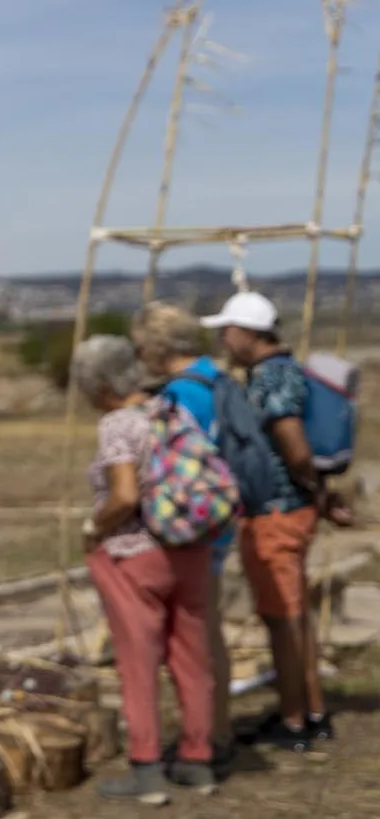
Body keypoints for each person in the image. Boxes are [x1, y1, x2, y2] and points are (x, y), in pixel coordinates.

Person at [72, 335, 214, 804]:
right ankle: (197, 760)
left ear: (100, 385)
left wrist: (94, 527)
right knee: (192, 658)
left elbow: (125, 495)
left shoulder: (118, 423)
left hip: (134, 554)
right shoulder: (172, 411)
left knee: (138, 662)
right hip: (190, 547)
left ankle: (146, 767)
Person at [201, 291, 332, 751]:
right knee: (295, 614)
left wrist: (311, 486)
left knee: (283, 617)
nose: (223, 339)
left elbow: (291, 440)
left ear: (249, 333)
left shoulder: (270, 379)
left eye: (228, 330)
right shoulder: (285, 371)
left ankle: (294, 720)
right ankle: (311, 708)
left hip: (275, 510)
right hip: (289, 507)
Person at [131, 301, 235, 768]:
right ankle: (217, 728)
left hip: (193, 527)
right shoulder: (216, 378)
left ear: (158, 346)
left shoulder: (180, 394)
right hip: (220, 516)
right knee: (209, 628)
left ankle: (209, 736)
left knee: (199, 637)